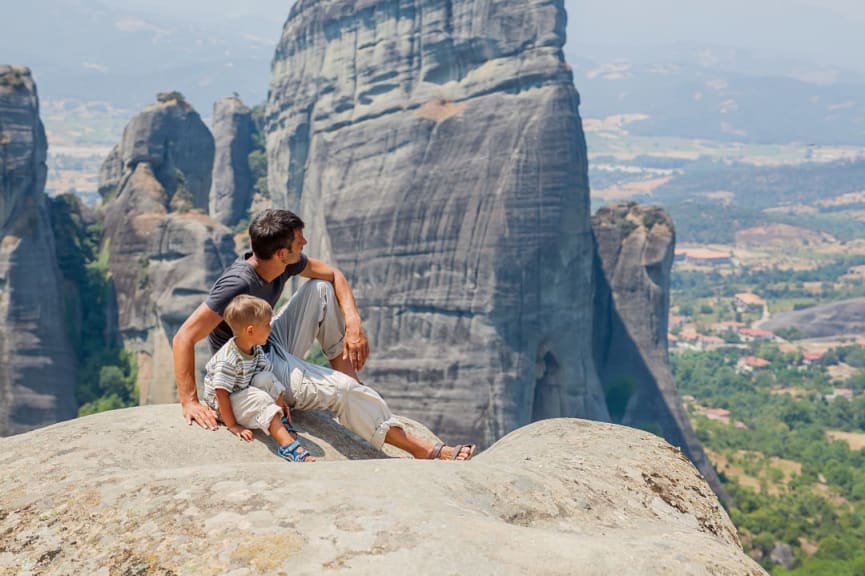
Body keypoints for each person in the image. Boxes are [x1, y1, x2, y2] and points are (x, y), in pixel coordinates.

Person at [173, 208, 475, 460]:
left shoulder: (278, 264)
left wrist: (353, 324)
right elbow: (184, 337)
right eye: (299, 242)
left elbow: (333, 275)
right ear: (281, 253)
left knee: (321, 289)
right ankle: (425, 451)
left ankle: (348, 380)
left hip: (266, 341)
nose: (304, 242)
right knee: (343, 392)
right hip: (249, 368)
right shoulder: (237, 284)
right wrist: (190, 401)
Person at [203, 294, 313, 462]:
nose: (271, 329)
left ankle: (279, 419)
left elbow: (266, 377)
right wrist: (232, 425)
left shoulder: (255, 349)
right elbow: (220, 393)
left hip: (241, 391)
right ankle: (287, 446)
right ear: (251, 330)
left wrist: (279, 402)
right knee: (260, 398)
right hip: (222, 406)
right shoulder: (228, 359)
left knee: (267, 377)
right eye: (267, 324)